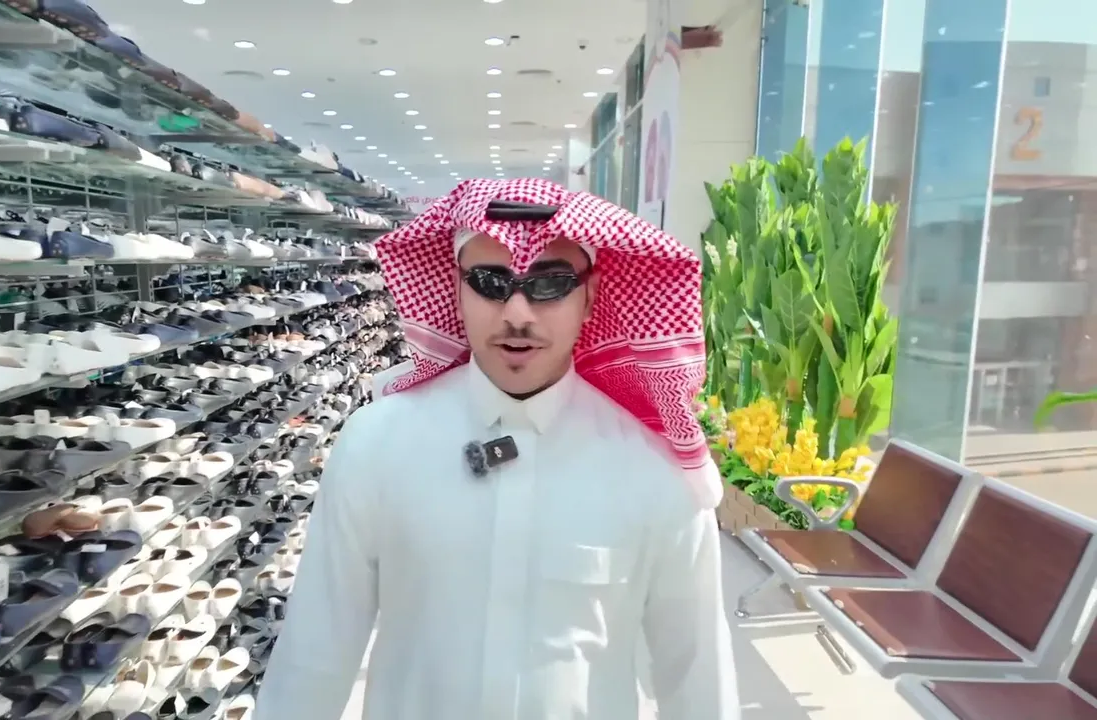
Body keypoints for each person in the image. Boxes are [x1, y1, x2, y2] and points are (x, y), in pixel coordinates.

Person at [253, 178, 739, 720]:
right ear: (455, 288)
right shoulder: (376, 443)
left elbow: (696, 671)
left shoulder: (653, 465)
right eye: (490, 282)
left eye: (550, 283)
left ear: (590, 295)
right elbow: (316, 650)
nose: (518, 314)